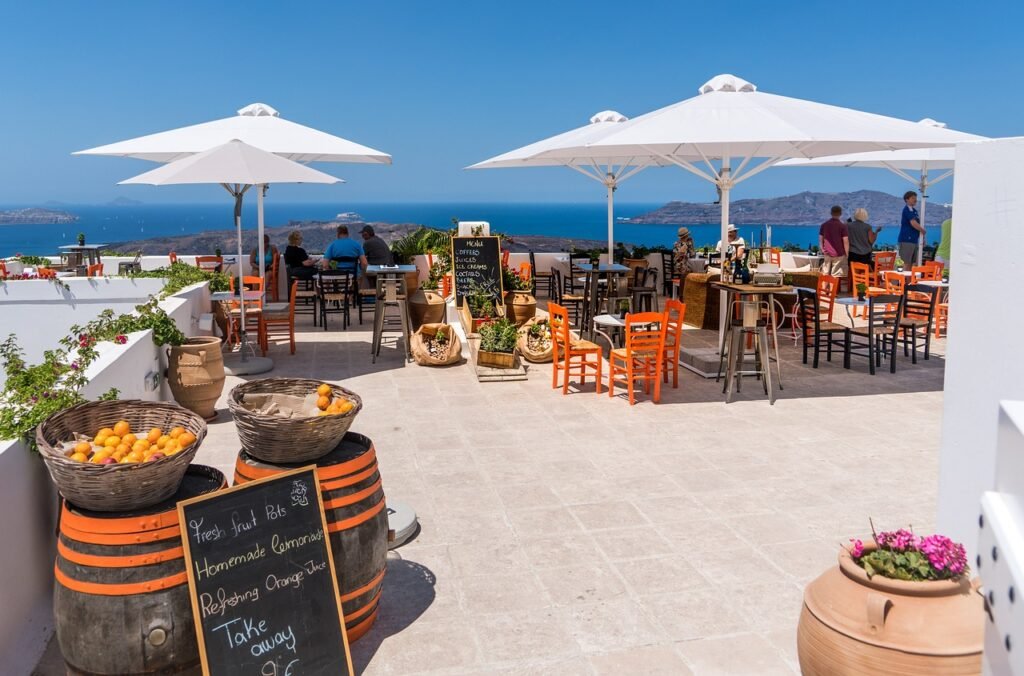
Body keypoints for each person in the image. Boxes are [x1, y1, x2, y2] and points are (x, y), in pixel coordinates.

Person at [819, 205, 849, 278]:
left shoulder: (824, 225)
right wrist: (847, 254)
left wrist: (822, 249)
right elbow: (846, 241)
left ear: (831, 213)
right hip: (839, 254)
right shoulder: (842, 226)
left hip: (827, 253)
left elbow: (820, 239)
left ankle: (824, 288)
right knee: (835, 275)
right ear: (840, 214)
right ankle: (833, 289)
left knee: (825, 274)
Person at [898, 190, 924, 266]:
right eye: (913, 198)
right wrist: (923, 231)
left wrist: (923, 237)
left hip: (914, 240)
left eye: (915, 198)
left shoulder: (914, 211)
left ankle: (909, 278)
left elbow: (917, 224)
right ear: (907, 199)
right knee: (906, 263)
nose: (915, 200)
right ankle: (903, 278)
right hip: (907, 240)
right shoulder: (907, 209)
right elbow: (913, 223)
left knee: (912, 264)